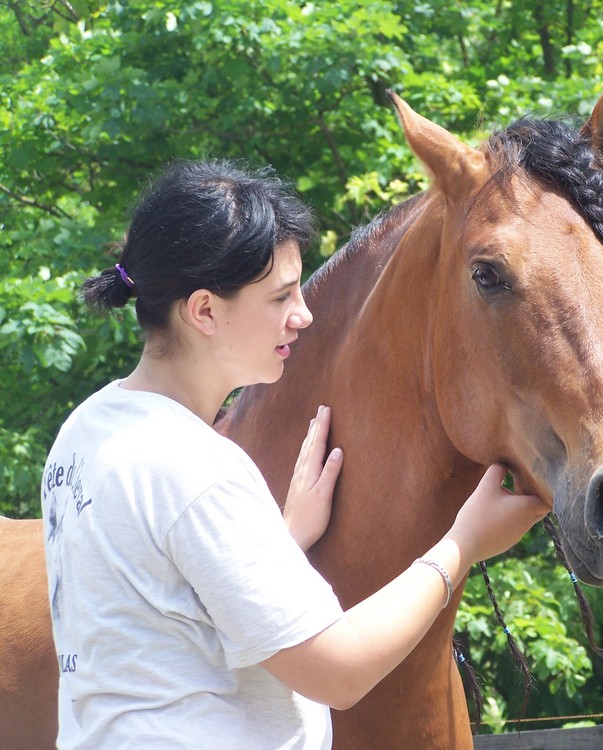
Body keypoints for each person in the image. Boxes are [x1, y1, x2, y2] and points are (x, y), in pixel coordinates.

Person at [40, 159, 548, 749]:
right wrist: (463, 545)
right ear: (204, 311)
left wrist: (278, 541)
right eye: (281, 296)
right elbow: (340, 671)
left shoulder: (86, 430)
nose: (302, 315)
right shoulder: (196, 468)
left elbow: (158, 610)